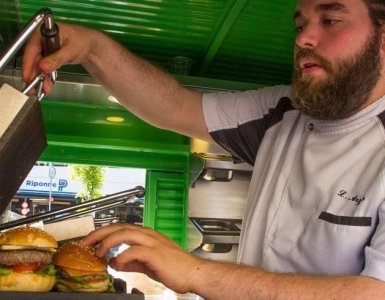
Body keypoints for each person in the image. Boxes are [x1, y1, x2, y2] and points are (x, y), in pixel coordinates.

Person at [22, 0, 385, 298]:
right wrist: (92, 47)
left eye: (331, 19)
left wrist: (197, 272)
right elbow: (176, 107)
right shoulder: (281, 113)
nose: (304, 37)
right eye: (300, 24)